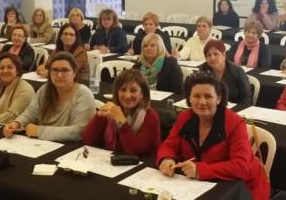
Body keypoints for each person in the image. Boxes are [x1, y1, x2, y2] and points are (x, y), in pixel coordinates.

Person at [157, 71, 270, 200]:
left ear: (219, 98)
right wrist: (166, 159)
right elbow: (169, 145)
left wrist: (200, 170)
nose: (202, 102)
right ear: (189, 98)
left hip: (241, 190)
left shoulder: (235, 123)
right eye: (196, 96)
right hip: (199, 186)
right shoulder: (184, 117)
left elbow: (240, 166)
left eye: (208, 96)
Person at [3, 52, 96, 142]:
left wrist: (39, 131)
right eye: (55, 70)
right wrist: (16, 124)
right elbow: (30, 114)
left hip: (70, 151)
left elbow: (79, 131)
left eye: (64, 70)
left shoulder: (83, 94)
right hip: (42, 145)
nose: (59, 75)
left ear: (74, 73)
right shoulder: (45, 90)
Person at [82, 69, 160, 157]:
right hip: (112, 163)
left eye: (133, 90)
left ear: (142, 94)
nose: (127, 95)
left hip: (141, 166)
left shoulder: (150, 116)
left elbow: (134, 152)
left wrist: (121, 122)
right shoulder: (112, 111)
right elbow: (87, 140)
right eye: (123, 90)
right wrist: (98, 117)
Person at [199, 40, 252, 105]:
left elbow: (246, 97)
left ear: (224, 55)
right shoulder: (203, 69)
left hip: (234, 109)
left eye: (216, 54)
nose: (212, 58)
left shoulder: (237, 71)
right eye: (209, 55)